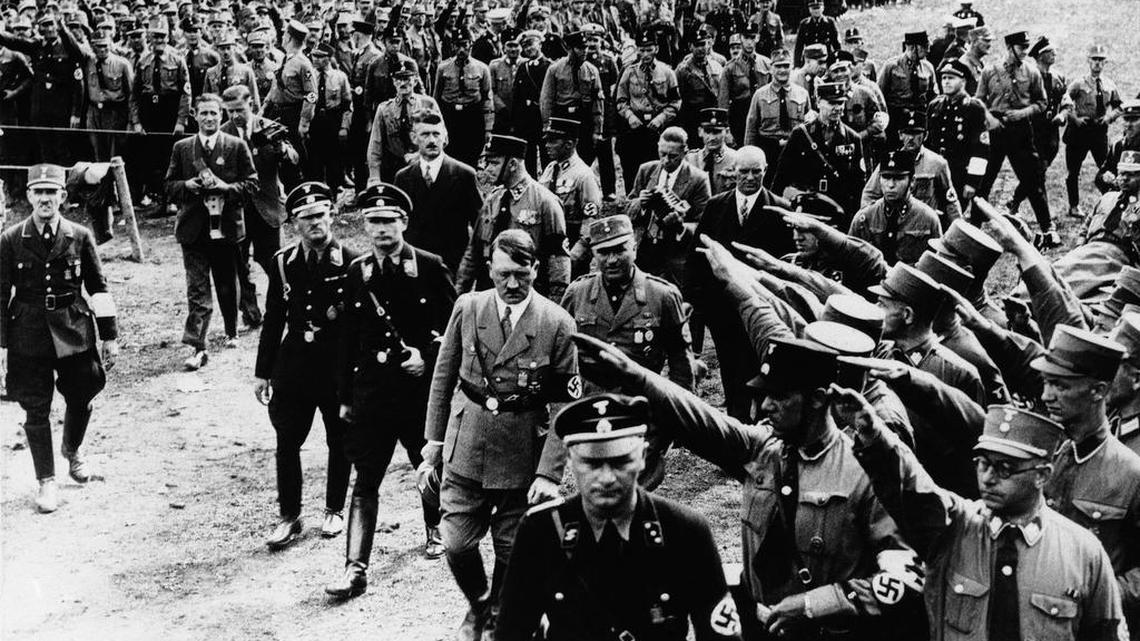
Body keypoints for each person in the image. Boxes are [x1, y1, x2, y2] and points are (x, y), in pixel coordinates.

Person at [574, 333, 922, 640]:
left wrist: (815, 605)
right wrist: (633, 374)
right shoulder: (763, 449)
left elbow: (907, 578)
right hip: (758, 628)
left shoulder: (867, 472)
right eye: (764, 394)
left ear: (817, 399)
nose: (764, 406)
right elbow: (700, 419)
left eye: (779, 397)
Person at [834, 387, 1125, 641]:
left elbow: (1107, 633)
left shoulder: (1084, 552)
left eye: (1004, 469)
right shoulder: (953, 527)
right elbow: (913, 489)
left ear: (1042, 475)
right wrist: (874, 437)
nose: (987, 478)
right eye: (982, 463)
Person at [421, 229, 581, 640]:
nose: (512, 285)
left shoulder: (555, 322)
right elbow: (443, 377)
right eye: (503, 273)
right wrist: (434, 443)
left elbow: (566, 405)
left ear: (536, 269)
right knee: (455, 542)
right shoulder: (468, 308)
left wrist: (548, 473)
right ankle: (479, 602)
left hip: (519, 450)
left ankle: (498, 613)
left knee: (514, 546)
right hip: (467, 442)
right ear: (490, 269)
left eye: (522, 274)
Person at [496, 393, 741, 641]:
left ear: (643, 457)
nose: (607, 478)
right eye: (592, 464)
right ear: (570, 461)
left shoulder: (683, 530)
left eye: (620, 462)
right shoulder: (541, 531)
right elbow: (511, 632)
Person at [325, 183, 458, 597]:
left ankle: (436, 530)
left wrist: (427, 358)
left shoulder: (430, 266)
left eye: (388, 220)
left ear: (404, 222)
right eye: (373, 221)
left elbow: (454, 333)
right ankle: (355, 568)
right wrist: (345, 397)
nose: (381, 229)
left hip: (418, 395)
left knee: (428, 467)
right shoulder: (356, 272)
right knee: (365, 479)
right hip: (372, 395)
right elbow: (347, 339)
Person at [0, 164, 120, 513]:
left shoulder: (80, 235)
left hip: (73, 327)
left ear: (63, 197)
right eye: (38, 192)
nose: (45, 199)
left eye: (51, 192)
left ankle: (72, 448)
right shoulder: (10, 239)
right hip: (28, 332)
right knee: (35, 405)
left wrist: (109, 335)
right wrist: (2, 345)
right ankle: (46, 481)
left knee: (85, 389)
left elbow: (98, 287)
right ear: (28, 197)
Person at [253, 182, 353, 551]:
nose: (315, 223)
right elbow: (274, 318)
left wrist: (355, 376)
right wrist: (263, 371)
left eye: (320, 214)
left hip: (335, 366)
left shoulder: (353, 261)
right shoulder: (283, 263)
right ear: (294, 222)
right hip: (293, 364)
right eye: (305, 217)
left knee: (338, 438)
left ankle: (335, 509)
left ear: (332, 214)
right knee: (287, 439)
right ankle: (289, 515)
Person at [561, 214, 692, 488]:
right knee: (595, 491)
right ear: (593, 254)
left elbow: (681, 362)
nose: (611, 260)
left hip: (641, 415)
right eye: (603, 252)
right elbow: (561, 355)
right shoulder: (578, 293)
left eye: (620, 249)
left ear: (634, 247)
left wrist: (676, 421)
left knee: (636, 496)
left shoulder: (662, 296)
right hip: (591, 413)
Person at [1031, 324, 1140, 639]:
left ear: (1099, 391)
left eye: (1060, 386)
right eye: (1046, 383)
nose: (1046, 396)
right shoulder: (1046, 455)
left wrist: (1100, 597)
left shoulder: (1130, 473)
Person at [685, 145, 790, 421]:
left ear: (766, 171)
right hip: (724, 311)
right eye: (744, 172)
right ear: (733, 172)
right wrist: (700, 301)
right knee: (731, 373)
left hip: (762, 310)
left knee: (763, 373)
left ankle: (761, 430)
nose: (750, 178)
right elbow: (697, 258)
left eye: (757, 172)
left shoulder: (779, 210)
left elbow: (785, 266)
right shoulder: (716, 206)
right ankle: (737, 427)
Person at [165, 93, 258, 371]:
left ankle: (231, 330)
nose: (208, 119)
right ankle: (197, 345)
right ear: (194, 115)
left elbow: (252, 185)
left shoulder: (235, 146)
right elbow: (168, 184)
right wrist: (187, 186)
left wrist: (226, 188)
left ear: (222, 115)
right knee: (197, 288)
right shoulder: (183, 148)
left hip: (226, 227)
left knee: (227, 283)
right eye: (203, 113)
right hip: (193, 229)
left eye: (214, 114)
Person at [457, 134, 571, 301]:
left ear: (512, 164)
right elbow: (473, 252)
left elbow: (558, 258)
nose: (488, 169)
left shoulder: (545, 202)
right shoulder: (492, 199)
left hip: (525, 292)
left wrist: (556, 302)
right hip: (488, 293)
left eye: (494, 163)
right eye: (487, 162)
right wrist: (459, 294)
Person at [221, 85, 296, 329]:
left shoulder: (269, 127)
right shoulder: (223, 134)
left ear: (251, 105)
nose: (235, 116)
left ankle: (284, 309)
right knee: (239, 265)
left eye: (239, 110)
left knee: (276, 263)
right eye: (230, 111)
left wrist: (283, 150)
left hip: (267, 208)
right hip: (236, 210)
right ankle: (251, 314)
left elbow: (295, 158)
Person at [975, 31, 1055, 248]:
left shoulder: (1032, 72)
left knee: (1033, 178)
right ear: (1009, 48)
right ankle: (971, 227)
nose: (1025, 52)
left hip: (1021, 130)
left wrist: (1023, 113)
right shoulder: (990, 71)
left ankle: (1048, 229)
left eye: (1027, 47)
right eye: (1021, 48)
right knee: (984, 178)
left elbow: (1042, 103)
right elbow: (978, 101)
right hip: (996, 129)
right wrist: (989, 118)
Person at [393, 110, 481, 273]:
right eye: (425, 134)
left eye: (436, 134)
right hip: (414, 265)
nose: (432, 140)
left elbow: (480, 225)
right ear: (414, 138)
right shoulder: (403, 178)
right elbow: (397, 226)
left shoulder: (464, 175)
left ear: (445, 137)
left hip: (452, 265)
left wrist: (471, 265)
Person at [626, 126, 711, 287]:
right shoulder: (646, 170)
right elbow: (626, 210)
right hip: (644, 248)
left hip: (675, 253)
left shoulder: (698, 180)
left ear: (685, 152)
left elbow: (705, 225)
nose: (666, 160)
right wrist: (640, 204)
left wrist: (681, 226)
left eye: (673, 156)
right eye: (662, 154)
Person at [771, 82, 867, 222]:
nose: (837, 108)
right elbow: (781, 177)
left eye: (841, 103)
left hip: (838, 210)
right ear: (818, 102)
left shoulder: (852, 139)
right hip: (806, 208)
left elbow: (859, 185)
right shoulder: (801, 135)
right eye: (831, 103)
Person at [0, 15, 84, 165]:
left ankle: (63, 186)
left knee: (61, 148)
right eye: (45, 25)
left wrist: (76, 113)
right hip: (40, 107)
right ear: (39, 28)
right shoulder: (36, 46)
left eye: (52, 24)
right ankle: (46, 185)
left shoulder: (68, 46)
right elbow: (14, 42)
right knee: (44, 148)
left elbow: (79, 84)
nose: (49, 28)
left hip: (61, 107)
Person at [129, 20, 191, 213]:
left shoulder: (177, 59)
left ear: (168, 37)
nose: (159, 40)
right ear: (150, 38)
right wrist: (137, 122)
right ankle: (159, 200)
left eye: (162, 36)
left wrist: (181, 121)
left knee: (171, 157)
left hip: (169, 112)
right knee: (152, 159)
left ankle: (172, 200)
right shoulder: (143, 61)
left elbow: (186, 93)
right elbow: (135, 95)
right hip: (150, 113)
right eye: (155, 36)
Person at [850, 149, 944, 266]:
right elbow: (851, 264)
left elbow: (936, 266)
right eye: (886, 177)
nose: (890, 185)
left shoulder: (928, 220)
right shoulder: (864, 218)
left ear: (912, 181)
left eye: (898, 178)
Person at [1009, 36, 1069, 218]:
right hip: (1032, 131)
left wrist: (1062, 115)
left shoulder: (1058, 78)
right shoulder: (1028, 76)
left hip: (1051, 134)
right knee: (1037, 172)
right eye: (1050, 52)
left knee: (1038, 171)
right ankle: (1042, 214)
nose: (1054, 54)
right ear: (1041, 56)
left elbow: (1067, 102)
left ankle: (1014, 202)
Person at [615, 31, 681, 195]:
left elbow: (675, 101)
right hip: (634, 128)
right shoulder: (629, 72)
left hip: (656, 129)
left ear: (656, 49)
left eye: (649, 49)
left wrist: (661, 118)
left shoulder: (667, 72)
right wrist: (629, 116)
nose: (645, 54)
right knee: (631, 167)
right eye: (641, 50)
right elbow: (620, 100)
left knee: (656, 167)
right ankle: (633, 201)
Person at [539, 117, 602, 276]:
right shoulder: (550, 169)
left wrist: (577, 253)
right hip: (547, 241)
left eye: (553, 141)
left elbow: (591, 219)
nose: (547, 146)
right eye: (547, 141)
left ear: (569, 144)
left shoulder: (584, 175)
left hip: (570, 243)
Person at [1065, 44, 1122, 219]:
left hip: (1099, 132)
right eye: (1094, 60)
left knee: (1106, 170)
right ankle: (1074, 206)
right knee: (1073, 171)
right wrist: (1075, 118)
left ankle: (1111, 202)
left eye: (1100, 60)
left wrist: (1108, 118)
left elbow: (1119, 106)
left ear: (1105, 63)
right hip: (1079, 131)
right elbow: (1065, 101)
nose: (1097, 64)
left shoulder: (1109, 84)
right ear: (1088, 61)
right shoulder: (1079, 83)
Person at [926, 59, 990, 206]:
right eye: (943, 78)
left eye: (951, 78)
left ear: (963, 81)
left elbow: (981, 149)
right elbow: (928, 142)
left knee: (953, 216)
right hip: (934, 173)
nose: (946, 82)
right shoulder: (935, 106)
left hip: (959, 173)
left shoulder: (974, 108)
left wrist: (972, 182)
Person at [369, 61, 442, 183]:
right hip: (393, 168)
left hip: (422, 165)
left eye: (407, 79)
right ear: (393, 81)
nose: (402, 83)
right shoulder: (384, 109)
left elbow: (443, 138)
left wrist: (418, 155)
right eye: (398, 79)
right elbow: (375, 146)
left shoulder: (428, 104)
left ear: (415, 80)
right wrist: (374, 177)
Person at [539, 30, 604, 165]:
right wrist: (547, 125)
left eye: (585, 47)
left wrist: (598, 130)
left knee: (585, 156)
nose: (585, 51)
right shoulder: (555, 69)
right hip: (562, 117)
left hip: (583, 119)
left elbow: (597, 102)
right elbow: (547, 99)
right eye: (580, 48)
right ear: (569, 49)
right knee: (561, 155)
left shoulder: (592, 70)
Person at [433, 26, 493, 168]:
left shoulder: (482, 68)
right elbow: (436, 98)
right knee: (450, 155)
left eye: (464, 45)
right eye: (457, 45)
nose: (461, 50)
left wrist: (488, 128)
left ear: (470, 45)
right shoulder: (443, 68)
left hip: (472, 116)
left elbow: (487, 98)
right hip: (450, 116)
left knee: (471, 155)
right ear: (453, 46)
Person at [742, 48, 807, 177]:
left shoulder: (802, 94)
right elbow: (751, 129)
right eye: (778, 66)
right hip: (768, 151)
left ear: (792, 67)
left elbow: (809, 126)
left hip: (794, 150)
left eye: (786, 66)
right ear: (771, 68)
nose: (782, 70)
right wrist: (749, 156)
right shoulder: (760, 95)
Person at [305, 43, 353, 195]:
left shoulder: (339, 77)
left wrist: (344, 127)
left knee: (334, 158)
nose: (316, 59)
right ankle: (317, 192)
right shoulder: (309, 76)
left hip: (332, 120)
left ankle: (334, 190)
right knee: (314, 159)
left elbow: (347, 105)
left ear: (329, 58)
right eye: (314, 56)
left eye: (320, 57)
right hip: (314, 120)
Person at [718, 25, 770, 147]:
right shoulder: (730, 68)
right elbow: (723, 102)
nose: (749, 42)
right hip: (740, 118)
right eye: (746, 38)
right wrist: (726, 131)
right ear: (741, 38)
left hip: (763, 117)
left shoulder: (767, 64)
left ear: (757, 38)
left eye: (752, 38)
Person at [83, 35, 133, 162]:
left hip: (114, 113)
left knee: (114, 154)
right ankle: (102, 181)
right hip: (94, 112)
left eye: (105, 45)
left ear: (110, 45)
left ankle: (115, 181)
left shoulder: (122, 64)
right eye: (98, 46)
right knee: (97, 152)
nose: (102, 49)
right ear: (93, 47)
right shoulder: (89, 62)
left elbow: (131, 95)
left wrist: (132, 121)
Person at [877, 31, 935, 139]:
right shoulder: (891, 66)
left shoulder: (928, 68)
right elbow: (879, 96)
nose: (928, 50)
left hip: (920, 119)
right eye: (925, 46)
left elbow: (934, 96)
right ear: (914, 47)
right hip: (896, 119)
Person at [511, 30, 553, 176]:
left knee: (546, 153)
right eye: (525, 46)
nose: (528, 49)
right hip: (526, 119)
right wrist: (516, 121)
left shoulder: (550, 66)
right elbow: (516, 96)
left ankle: (548, 183)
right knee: (528, 155)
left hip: (543, 117)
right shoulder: (523, 67)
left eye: (531, 44)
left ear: (540, 44)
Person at [346, 18, 381, 193]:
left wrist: (368, 117)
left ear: (359, 35)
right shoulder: (358, 54)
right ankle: (361, 189)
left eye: (354, 34)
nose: (353, 37)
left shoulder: (373, 56)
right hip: (357, 110)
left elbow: (371, 89)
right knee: (357, 150)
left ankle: (366, 190)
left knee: (366, 151)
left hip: (366, 111)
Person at [676, 26, 723, 146]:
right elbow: (678, 99)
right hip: (693, 119)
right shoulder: (683, 70)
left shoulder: (716, 66)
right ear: (690, 46)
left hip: (713, 117)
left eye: (703, 44)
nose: (701, 48)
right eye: (697, 45)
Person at [202, 30, 260, 113]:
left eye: (228, 48)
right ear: (217, 50)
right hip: (219, 115)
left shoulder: (246, 71)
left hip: (239, 114)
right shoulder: (211, 73)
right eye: (222, 49)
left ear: (234, 48)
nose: (226, 52)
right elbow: (206, 99)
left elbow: (254, 99)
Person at [686, 107, 738, 195]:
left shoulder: (735, 159)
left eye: (717, 132)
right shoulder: (690, 160)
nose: (712, 138)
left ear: (727, 132)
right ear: (700, 132)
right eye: (707, 132)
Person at [1096, 99, 1140, 194]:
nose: (1128, 125)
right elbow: (1100, 176)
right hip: (1122, 200)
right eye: (1126, 119)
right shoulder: (1118, 146)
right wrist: (1105, 177)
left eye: (1134, 120)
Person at [793, 0, 838, 67]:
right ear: (809, 10)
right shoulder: (804, 24)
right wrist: (797, 65)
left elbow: (836, 44)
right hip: (809, 60)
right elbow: (799, 46)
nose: (816, 11)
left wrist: (838, 59)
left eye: (818, 8)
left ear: (823, 8)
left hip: (826, 59)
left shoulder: (830, 22)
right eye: (813, 9)